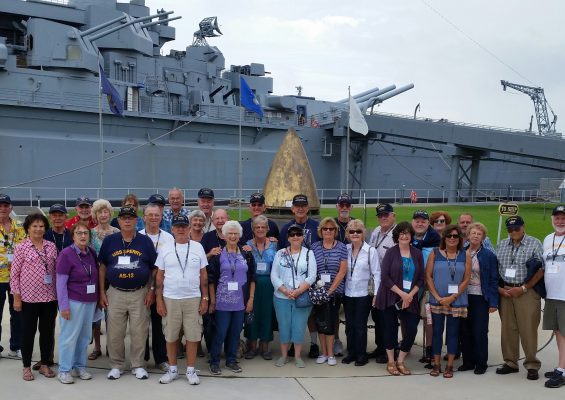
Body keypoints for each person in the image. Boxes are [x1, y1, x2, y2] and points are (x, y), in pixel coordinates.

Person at [98, 206, 158, 380]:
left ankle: (138, 365)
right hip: (115, 292)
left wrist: (151, 290)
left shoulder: (145, 241)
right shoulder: (110, 241)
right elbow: (102, 267)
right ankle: (116, 365)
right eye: (123, 217)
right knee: (115, 331)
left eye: (130, 218)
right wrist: (102, 292)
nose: (126, 220)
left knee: (139, 330)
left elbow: (154, 268)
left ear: (136, 220)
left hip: (139, 292)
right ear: (118, 220)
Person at [155, 215, 209, 385]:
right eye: (177, 226)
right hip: (170, 298)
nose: (180, 229)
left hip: (193, 298)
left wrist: (205, 298)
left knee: (193, 336)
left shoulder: (198, 247)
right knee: (170, 336)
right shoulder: (165, 248)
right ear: (172, 229)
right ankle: (172, 369)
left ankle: (191, 370)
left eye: (183, 226)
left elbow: (204, 276)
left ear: (189, 228)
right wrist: (159, 300)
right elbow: (159, 277)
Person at [496, 215, 544, 380]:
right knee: (508, 329)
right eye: (510, 229)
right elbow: (497, 269)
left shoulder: (534, 243)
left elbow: (540, 269)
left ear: (523, 227)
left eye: (517, 228)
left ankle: (531, 364)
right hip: (506, 290)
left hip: (526, 291)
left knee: (528, 329)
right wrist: (500, 289)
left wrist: (523, 288)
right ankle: (510, 362)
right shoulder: (501, 244)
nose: (514, 232)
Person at [10, 213, 58, 381]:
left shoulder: (51, 246)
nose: (38, 229)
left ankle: (45, 363)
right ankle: (26, 366)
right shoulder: (21, 247)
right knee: (27, 333)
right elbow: (14, 275)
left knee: (47, 332)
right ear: (28, 228)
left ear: (45, 228)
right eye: (34, 226)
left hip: (50, 298)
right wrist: (16, 297)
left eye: (41, 226)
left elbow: (56, 271)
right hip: (28, 299)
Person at [207, 221, 256, 375]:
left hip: (240, 302)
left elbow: (252, 278)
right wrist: (213, 301)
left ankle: (231, 360)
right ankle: (214, 361)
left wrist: (251, 299)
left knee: (235, 333)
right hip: (222, 302)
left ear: (239, 235)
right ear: (225, 235)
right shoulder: (218, 254)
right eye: (230, 233)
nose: (233, 236)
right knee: (220, 332)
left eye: (236, 233)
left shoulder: (246, 254)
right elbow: (210, 278)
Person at [376, 222, 424, 376]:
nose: (404, 236)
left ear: (411, 236)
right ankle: (391, 361)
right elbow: (385, 277)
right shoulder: (391, 252)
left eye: (407, 233)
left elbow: (421, 279)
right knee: (390, 329)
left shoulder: (417, 253)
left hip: (410, 298)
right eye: (401, 233)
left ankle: (400, 360)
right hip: (390, 296)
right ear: (397, 236)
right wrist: (402, 293)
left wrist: (410, 295)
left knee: (411, 329)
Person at [278, 194, 320, 358]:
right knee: (292, 314)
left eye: (303, 205)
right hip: (291, 280)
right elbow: (281, 253)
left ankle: (314, 343)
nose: (301, 208)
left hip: (311, 276)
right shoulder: (286, 228)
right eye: (297, 206)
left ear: (308, 207)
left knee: (312, 314)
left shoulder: (316, 227)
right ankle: (290, 345)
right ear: (292, 208)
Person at [55, 222, 99, 384]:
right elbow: (60, 283)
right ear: (72, 236)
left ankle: (80, 366)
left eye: (85, 233)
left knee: (84, 336)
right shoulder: (66, 254)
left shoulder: (91, 253)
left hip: (90, 302)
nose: (82, 236)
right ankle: (64, 370)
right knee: (69, 337)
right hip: (73, 302)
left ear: (89, 236)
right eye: (79, 233)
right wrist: (64, 306)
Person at [426, 225, 471, 378]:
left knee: (453, 334)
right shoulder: (434, 253)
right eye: (449, 236)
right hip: (437, 300)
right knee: (437, 333)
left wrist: (452, 297)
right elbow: (428, 277)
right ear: (444, 237)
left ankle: (450, 365)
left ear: (459, 239)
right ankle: (436, 364)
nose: (452, 238)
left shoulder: (465, 255)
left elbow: (466, 279)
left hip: (456, 301)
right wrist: (438, 298)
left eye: (455, 236)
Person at [271, 224, 317, 368]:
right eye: (292, 234)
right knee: (284, 326)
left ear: (303, 237)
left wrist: (297, 291)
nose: (295, 237)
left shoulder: (309, 254)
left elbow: (312, 276)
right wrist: (284, 290)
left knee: (299, 326)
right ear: (288, 237)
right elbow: (274, 274)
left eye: (298, 234)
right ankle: (284, 355)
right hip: (281, 296)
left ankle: (297, 356)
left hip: (301, 296)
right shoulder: (280, 253)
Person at [459, 222, 499, 375]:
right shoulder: (461, 252)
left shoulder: (488, 255)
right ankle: (468, 361)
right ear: (468, 235)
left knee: (480, 331)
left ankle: (481, 362)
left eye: (479, 234)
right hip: (463, 296)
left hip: (480, 297)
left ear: (483, 237)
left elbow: (494, 279)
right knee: (465, 330)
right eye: (473, 233)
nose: (475, 236)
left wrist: (493, 302)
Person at [139, 203, 174, 371]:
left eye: (156, 215)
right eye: (150, 215)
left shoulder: (168, 238)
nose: (153, 218)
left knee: (159, 324)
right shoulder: (137, 236)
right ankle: (142, 358)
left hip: (161, 287)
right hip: (140, 288)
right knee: (141, 324)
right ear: (144, 217)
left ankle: (161, 359)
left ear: (161, 217)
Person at [311, 217, 347, 366]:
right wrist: (320, 290)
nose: (328, 231)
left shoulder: (341, 247)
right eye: (325, 229)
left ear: (335, 231)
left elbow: (342, 271)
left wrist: (330, 291)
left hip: (334, 291)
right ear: (321, 231)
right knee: (320, 322)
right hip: (318, 292)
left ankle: (331, 354)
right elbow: (312, 269)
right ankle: (324, 352)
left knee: (331, 322)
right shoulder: (314, 247)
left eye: (331, 229)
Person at [343, 219, 379, 366]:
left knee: (360, 326)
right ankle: (351, 352)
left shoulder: (370, 251)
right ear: (348, 234)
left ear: (363, 233)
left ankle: (361, 354)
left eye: (358, 231)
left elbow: (377, 274)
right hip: (348, 293)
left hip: (363, 294)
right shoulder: (344, 249)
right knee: (349, 326)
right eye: (352, 231)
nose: (355, 234)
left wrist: (376, 295)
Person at [88, 199, 120, 361]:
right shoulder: (91, 233)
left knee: (112, 314)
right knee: (96, 314)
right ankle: (97, 347)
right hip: (95, 277)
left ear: (110, 213)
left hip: (113, 277)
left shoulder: (116, 232)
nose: (103, 214)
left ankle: (111, 346)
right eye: (99, 212)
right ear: (95, 215)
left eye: (105, 211)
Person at [244, 215, 278, 360]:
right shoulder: (247, 245)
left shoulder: (274, 245)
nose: (260, 229)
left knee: (266, 314)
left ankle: (265, 346)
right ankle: (252, 346)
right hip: (252, 283)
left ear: (267, 229)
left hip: (268, 284)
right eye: (257, 227)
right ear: (253, 229)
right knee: (252, 313)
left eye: (263, 227)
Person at [411, 209, 440, 366]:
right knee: (407, 318)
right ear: (412, 222)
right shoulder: (407, 238)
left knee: (428, 319)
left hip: (428, 287)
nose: (420, 223)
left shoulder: (436, 241)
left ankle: (429, 349)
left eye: (423, 221)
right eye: (417, 220)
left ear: (428, 223)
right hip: (410, 286)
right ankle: (407, 346)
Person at [368, 203, 396, 363]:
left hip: (390, 284)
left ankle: (389, 349)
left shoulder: (397, 233)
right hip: (376, 282)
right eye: (380, 216)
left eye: (386, 215)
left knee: (388, 320)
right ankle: (380, 346)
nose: (383, 218)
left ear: (393, 216)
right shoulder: (376, 232)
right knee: (377, 317)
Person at [0, 194, 26, 359]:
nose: (2, 208)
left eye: (6, 205)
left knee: (17, 312)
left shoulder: (19, 227)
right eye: (0, 205)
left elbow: (25, 248)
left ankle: (16, 346)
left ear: (11, 208)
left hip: (16, 277)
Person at [542, 205, 565, 388]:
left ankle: (562, 371)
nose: (560, 221)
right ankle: (562, 366)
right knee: (558, 332)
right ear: (552, 220)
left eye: (563, 218)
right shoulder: (548, 239)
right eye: (557, 218)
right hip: (551, 295)